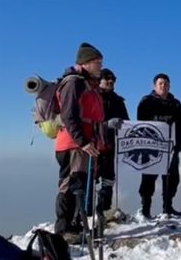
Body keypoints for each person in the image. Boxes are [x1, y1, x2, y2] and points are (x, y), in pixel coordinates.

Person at [54, 43, 107, 242]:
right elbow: (69, 115)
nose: (100, 66)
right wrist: (83, 141)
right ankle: (64, 230)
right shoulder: (73, 83)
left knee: (80, 186)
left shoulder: (86, 83)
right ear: (85, 63)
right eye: (97, 62)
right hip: (73, 144)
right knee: (70, 185)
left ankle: (75, 227)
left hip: (82, 144)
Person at [137, 73, 181, 218]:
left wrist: (179, 144)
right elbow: (140, 124)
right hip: (150, 147)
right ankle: (145, 209)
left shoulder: (175, 103)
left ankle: (167, 207)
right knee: (148, 179)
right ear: (154, 86)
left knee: (172, 178)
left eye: (166, 84)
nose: (163, 86)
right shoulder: (146, 102)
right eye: (160, 83)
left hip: (170, 146)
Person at [96, 68, 130, 217]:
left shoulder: (118, 101)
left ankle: (105, 210)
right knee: (88, 181)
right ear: (99, 80)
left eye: (113, 79)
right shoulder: (92, 97)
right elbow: (86, 122)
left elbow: (127, 122)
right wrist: (106, 124)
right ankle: (87, 214)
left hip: (110, 145)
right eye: (107, 78)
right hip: (91, 145)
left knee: (108, 179)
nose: (110, 81)